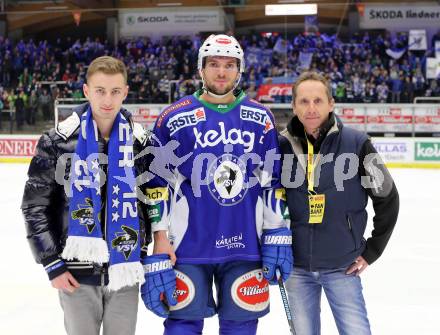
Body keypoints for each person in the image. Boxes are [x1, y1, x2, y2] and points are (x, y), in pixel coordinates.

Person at [141, 34, 293, 335]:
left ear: (240, 70)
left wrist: (277, 230)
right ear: (201, 69)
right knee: (181, 327)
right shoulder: (174, 118)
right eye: (213, 64)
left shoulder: (260, 118)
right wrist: (159, 240)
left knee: (241, 328)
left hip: (245, 247)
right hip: (187, 248)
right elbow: (158, 184)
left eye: (229, 65)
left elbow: (272, 179)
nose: (221, 72)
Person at [21, 56, 151, 335]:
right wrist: (52, 263)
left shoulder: (140, 144)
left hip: (124, 270)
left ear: (125, 93)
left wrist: (146, 254)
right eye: (100, 90)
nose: (108, 99)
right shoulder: (56, 143)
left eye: (115, 91)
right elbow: (34, 207)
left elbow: (152, 202)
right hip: (75, 273)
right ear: (86, 91)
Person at [279, 71, 399, 335]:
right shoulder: (280, 146)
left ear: (331, 103)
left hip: (342, 266)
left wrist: (373, 249)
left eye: (318, 100)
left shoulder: (357, 143)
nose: (311, 108)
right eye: (304, 101)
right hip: (296, 268)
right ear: (294, 106)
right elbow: (267, 204)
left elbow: (387, 196)